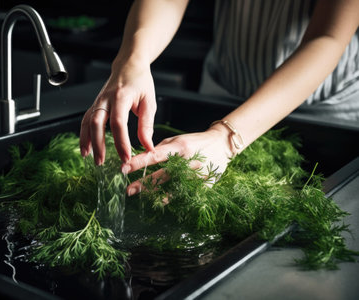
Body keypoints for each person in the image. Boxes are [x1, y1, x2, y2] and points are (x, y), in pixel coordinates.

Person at [79, 0, 359, 196]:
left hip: (323, 106)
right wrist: (133, 61)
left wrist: (224, 140)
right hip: (224, 89)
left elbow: (327, 36)